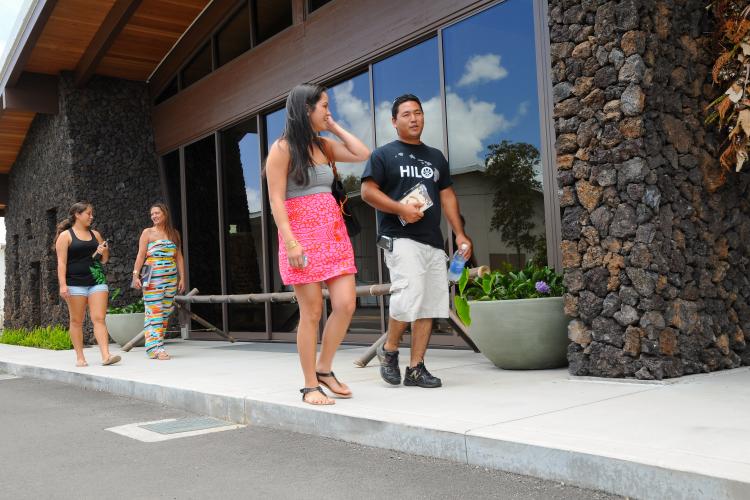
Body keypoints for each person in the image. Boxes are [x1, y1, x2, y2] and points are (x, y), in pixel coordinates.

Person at [265, 83, 370, 405]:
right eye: (323, 106)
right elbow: (276, 200)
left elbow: (361, 153)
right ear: (305, 109)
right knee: (311, 313)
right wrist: (291, 242)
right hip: (302, 241)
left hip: (334, 237)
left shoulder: (324, 146)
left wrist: (333, 126)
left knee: (346, 304)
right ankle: (310, 385)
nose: (328, 111)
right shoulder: (282, 149)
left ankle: (325, 368)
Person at [361, 94, 473, 388]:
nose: (414, 118)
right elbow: (367, 192)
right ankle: (390, 350)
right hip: (399, 237)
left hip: (432, 241)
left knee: (430, 304)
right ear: (394, 121)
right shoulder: (383, 155)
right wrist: (400, 209)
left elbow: (447, 195)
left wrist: (459, 233)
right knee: (408, 294)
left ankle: (416, 368)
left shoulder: (436, 157)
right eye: (407, 114)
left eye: (418, 113)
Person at [54, 202, 121, 367]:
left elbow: (103, 260)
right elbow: (61, 263)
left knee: (99, 318)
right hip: (74, 283)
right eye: (88, 214)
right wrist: (63, 285)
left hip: (97, 281)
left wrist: (103, 250)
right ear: (77, 214)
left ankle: (106, 355)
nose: (91, 217)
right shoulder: (65, 236)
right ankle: (80, 358)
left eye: (92, 214)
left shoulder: (96, 235)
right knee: (76, 321)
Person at [131, 203, 185, 360]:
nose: (153, 216)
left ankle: (151, 347)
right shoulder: (147, 233)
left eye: (157, 213)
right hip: (152, 276)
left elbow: (179, 256)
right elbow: (141, 256)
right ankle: (158, 348)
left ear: (165, 214)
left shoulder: (174, 233)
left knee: (165, 313)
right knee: (155, 311)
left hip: (171, 277)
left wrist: (183, 277)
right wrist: (135, 275)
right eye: (152, 214)